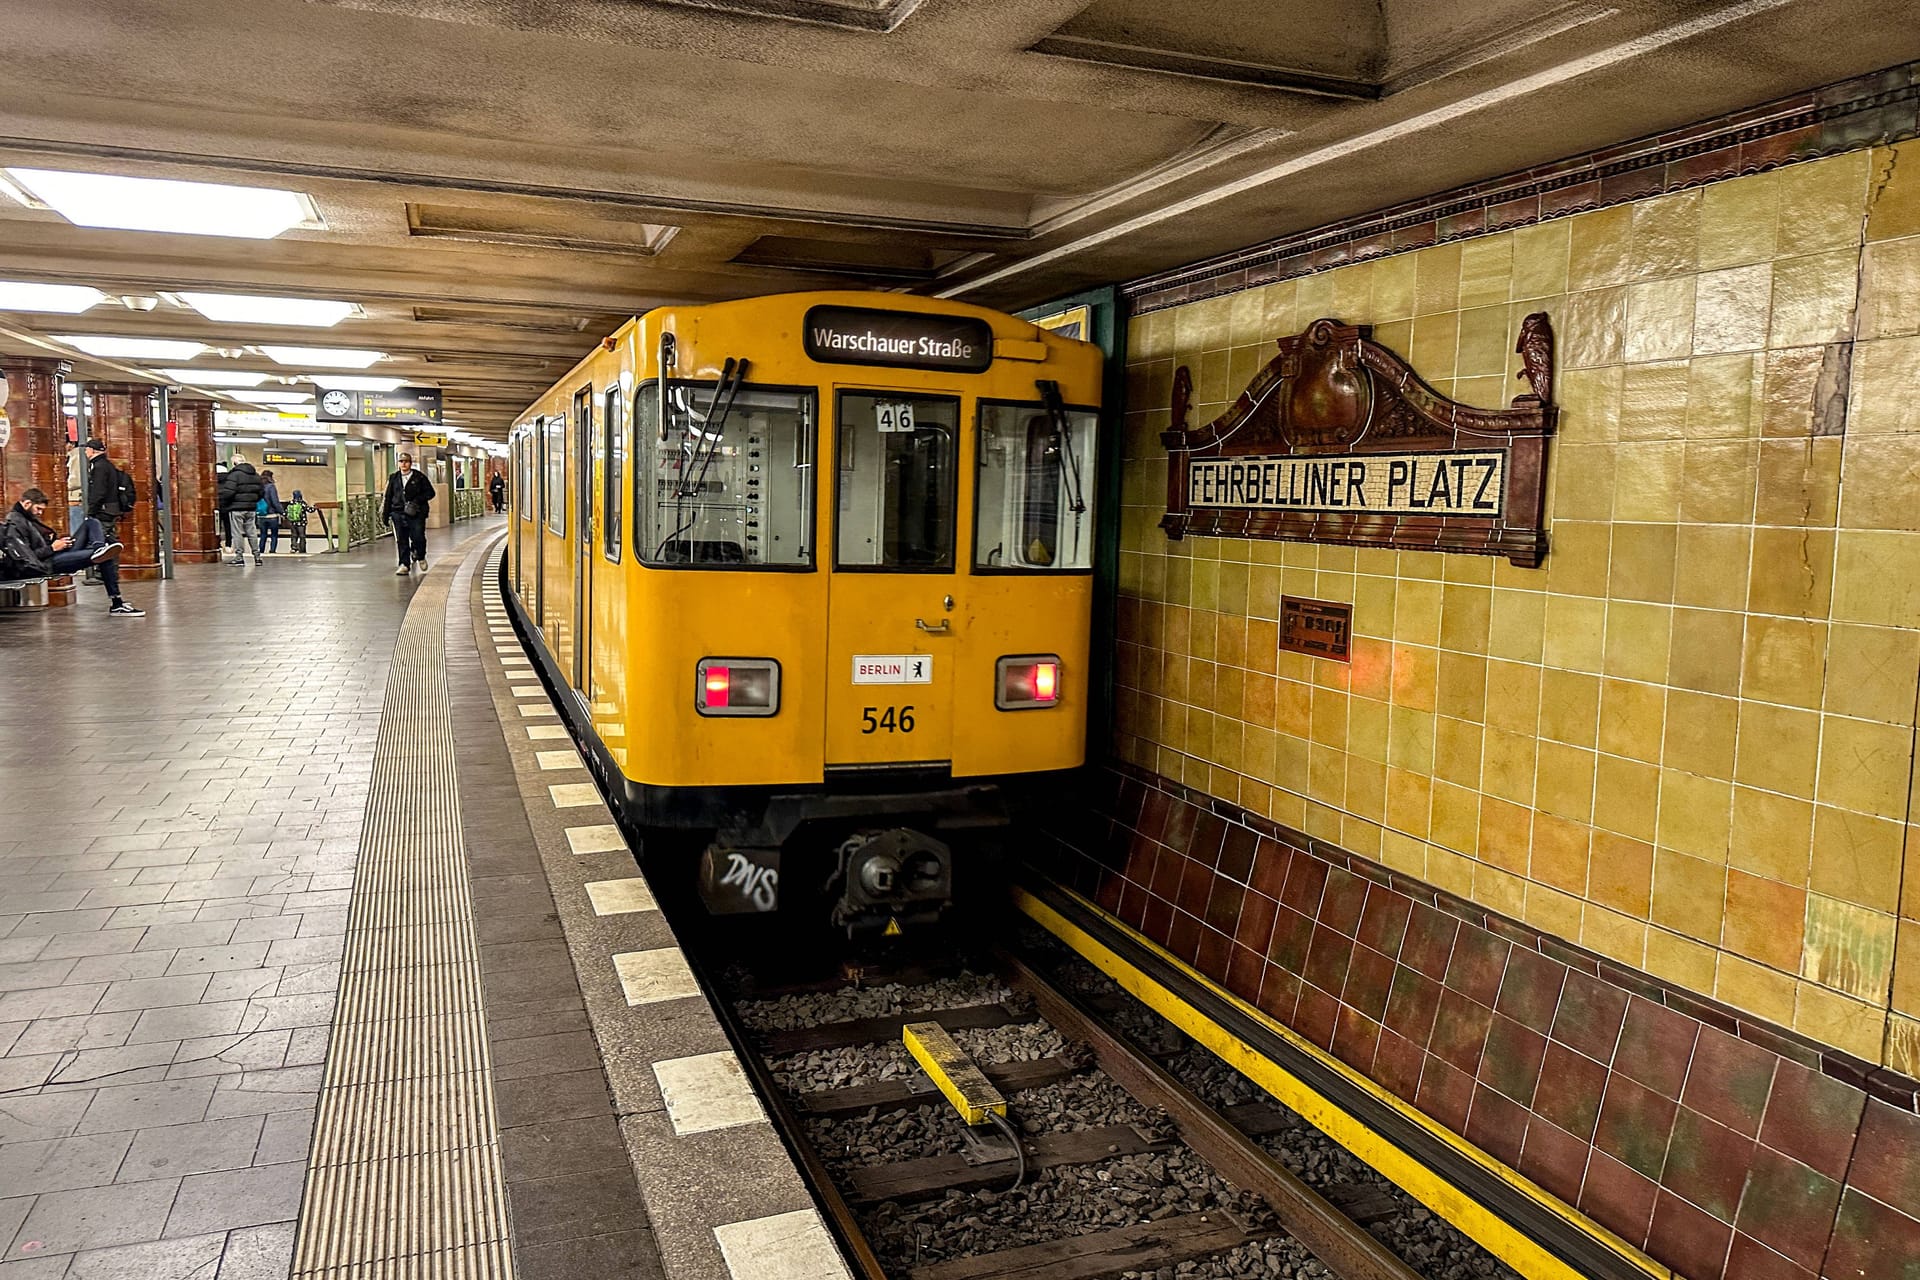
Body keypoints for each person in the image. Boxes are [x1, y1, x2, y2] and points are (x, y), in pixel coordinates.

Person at [2, 487, 143, 616]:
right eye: (38, 509)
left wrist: (58, 543)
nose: (39, 513)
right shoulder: (16, 523)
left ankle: (99, 547)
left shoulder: (27, 519)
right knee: (106, 555)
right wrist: (52, 547)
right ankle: (117, 603)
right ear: (26, 504)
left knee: (91, 523)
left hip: (54, 554)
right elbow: (28, 557)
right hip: (47, 562)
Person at [381, 452, 436, 576]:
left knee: (418, 536)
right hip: (398, 511)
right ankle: (404, 564)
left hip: (416, 512)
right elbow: (388, 496)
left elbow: (431, 493)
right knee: (402, 539)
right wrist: (386, 515)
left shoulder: (419, 477)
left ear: (410, 463)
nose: (403, 464)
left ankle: (420, 555)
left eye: (406, 461)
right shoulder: (394, 478)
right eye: (401, 461)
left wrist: (417, 501)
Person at [217, 453, 266, 566]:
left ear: (234, 463)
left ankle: (239, 557)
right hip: (251, 508)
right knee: (252, 533)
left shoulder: (234, 475)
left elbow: (229, 492)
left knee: (237, 533)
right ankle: (257, 557)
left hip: (236, 508)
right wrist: (253, 501)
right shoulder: (256, 475)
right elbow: (261, 492)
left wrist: (226, 503)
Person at [258, 469, 287, 554]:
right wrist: (282, 512)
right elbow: (275, 502)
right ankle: (272, 551)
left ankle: (261, 551)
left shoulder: (259, 487)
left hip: (261, 515)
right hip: (272, 515)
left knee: (263, 535)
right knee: (274, 535)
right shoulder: (271, 487)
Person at [286, 489, 310, 554]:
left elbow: (286, 512)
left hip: (293, 522)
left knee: (294, 535)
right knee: (302, 536)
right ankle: (302, 549)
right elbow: (309, 510)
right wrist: (315, 507)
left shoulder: (291, 503)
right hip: (301, 523)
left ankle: (294, 548)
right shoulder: (302, 503)